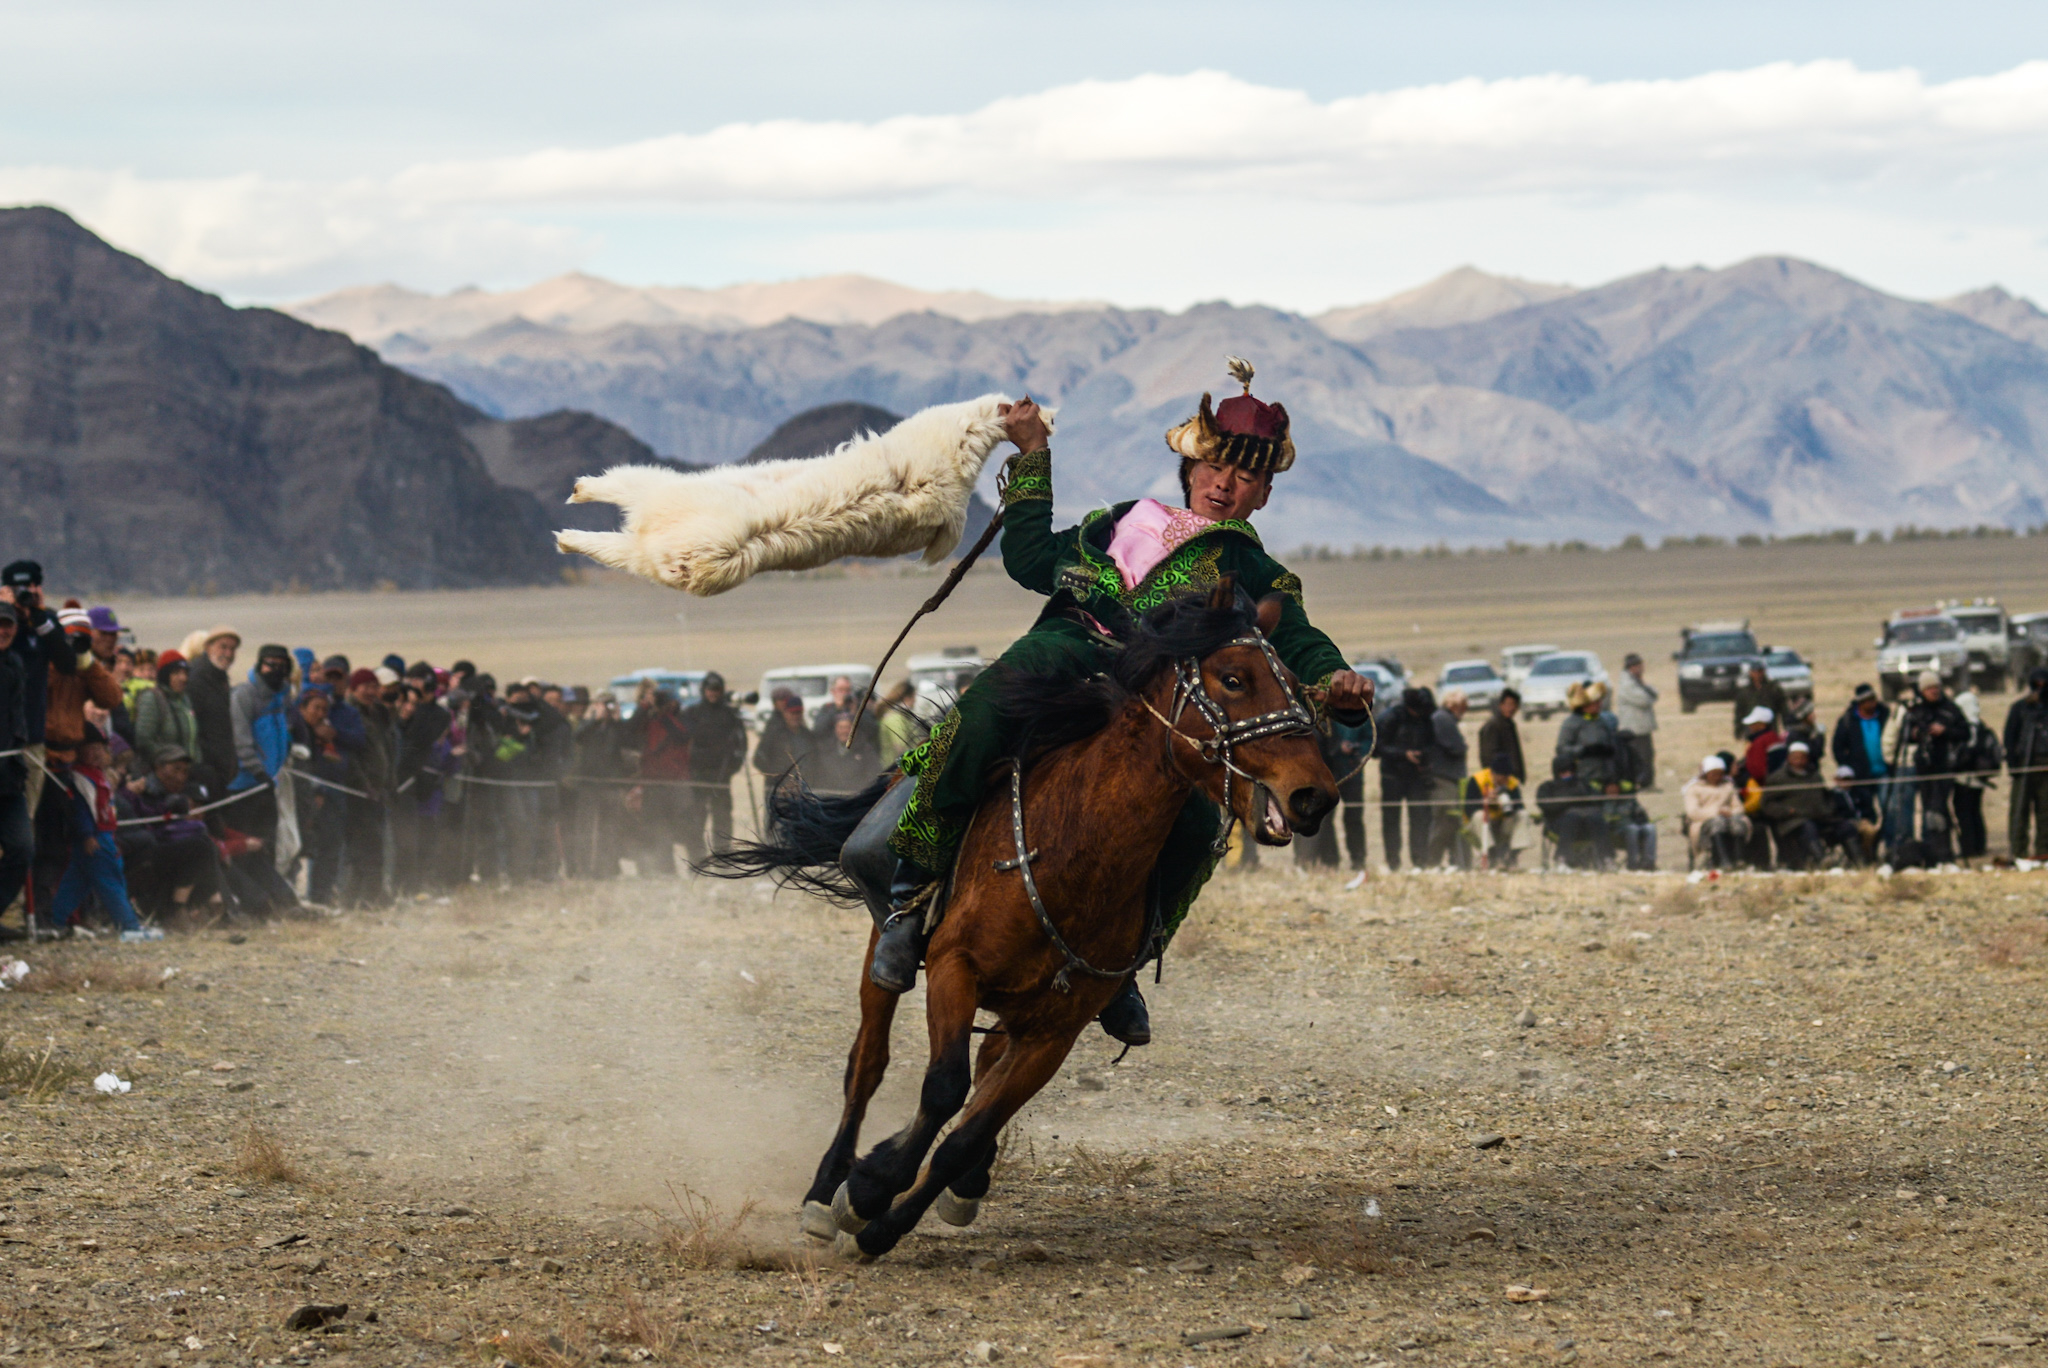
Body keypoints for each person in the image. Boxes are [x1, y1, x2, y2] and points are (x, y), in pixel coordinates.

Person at [878, 370, 1372, 1048]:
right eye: (1215, 463)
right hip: (1060, 657)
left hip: (1154, 710)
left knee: (1201, 826)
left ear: (1263, 494)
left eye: (1244, 476)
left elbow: (1299, 640)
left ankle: (1123, 966)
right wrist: (1030, 456)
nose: (1225, 482)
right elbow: (1028, 560)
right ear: (1190, 462)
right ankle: (911, 896)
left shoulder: (1255, 571)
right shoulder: (1117, 522)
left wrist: (1336, 679)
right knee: (979, 717)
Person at [48, 724, 160, 941]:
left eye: (99, 748)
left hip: (101, 836)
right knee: (112, 881)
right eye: (89, 748)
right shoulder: (81, 778)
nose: (95, 753)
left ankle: (55, 920)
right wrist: (87, 835)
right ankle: (129, 926)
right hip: (96, 838)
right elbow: (80, 810)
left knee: (76, 882)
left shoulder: (97, 775)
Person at [229, 644, 298, 906]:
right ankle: (254, 902)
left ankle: (272, 900)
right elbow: (241, 738)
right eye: (269, 664)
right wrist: (258, 772)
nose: (275, 670)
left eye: (281, 665)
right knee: (247, 847)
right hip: (245, 786)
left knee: (266, 845)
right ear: (259, 664)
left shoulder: (282, 698)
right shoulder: (245, 695)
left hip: (269, 784)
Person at [1883, 671, 1968, 865]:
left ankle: (1944, 853)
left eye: (1936, 687)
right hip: (1923, 766)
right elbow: (1906, 736)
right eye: (1930, 688)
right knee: (1929, 809)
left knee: (1938, 809)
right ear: (1922, 690)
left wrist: (1945, 731)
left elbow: (1965, 733)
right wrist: (1916, 733)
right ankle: (1930, 853)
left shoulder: (1951, 709)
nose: (1934, 691)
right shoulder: (1916, 711)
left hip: (1945, 764)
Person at [676, 672, 750, 864]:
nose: (713, 693)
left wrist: (731, 768)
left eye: (717, 690)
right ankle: (697, 861)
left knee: (723, 820)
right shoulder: (692, 713)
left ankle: (723, 861)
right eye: (710, 689)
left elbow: (741, 744)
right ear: (703, 690)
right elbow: (682, 742)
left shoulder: (730, 715)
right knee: (695, 820)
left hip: (721, 775)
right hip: (697, 775)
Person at [1296, 710, 1371, 872]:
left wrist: (1357, 749)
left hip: (1350, 773)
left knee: (1353, 818)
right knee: (1323, 820)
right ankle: (1327, 861)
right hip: (1325, 775)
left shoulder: (1358, 715)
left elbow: (1369, 739)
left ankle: (1357, 860)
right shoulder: (1319, 718)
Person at [568, 694, 633, 878]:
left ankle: (607, 868)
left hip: (610, 784)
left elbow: (629, 741)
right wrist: (595, 720)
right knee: (586, 829)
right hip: (589, 783)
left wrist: (618, 721)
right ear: (596, 706)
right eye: (604, 704)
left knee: (610, 828)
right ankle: (584, 869)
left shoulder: (616, 726)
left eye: (610, 704)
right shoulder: (588, 724)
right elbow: (578, 737)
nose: (607, 708)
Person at [1376, 687, 1438, 871]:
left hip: (1417, 776)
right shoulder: (1391, 717)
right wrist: (1404, 755)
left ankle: (1420, 861)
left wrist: (1423, 757)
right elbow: (1378, 748)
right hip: (1392, 776)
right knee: (1391, 820)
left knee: (1420, 819)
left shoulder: (1426, 719)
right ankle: (1393, 861)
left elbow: (1432, 744)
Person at [630, 687, 691, 875]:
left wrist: (661, 714)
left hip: (672, 784)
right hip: (652, 783)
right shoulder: (649, 722)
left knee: (669, 828)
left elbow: (680, 736)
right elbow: (630, 729)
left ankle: (668, 870)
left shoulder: (679, 721)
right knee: (651, 827)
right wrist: (645, 706)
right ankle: (653, 868)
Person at [0, 601, 32, 931]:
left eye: (8, 624)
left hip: (9, 778)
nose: (3, 630)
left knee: (23, 849)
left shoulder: (16, 664)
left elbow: (18, 718)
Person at [186, 625, 242, 801]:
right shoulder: (196, 678)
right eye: (223, 647)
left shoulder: (220, 677)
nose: (228, 653)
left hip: (222, 766)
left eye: (232, 649)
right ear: (208, 647)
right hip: (205, 768)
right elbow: (193, 726)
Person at [1757, 741, 1833, 869]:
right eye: (1795, 757)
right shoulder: (1778, 778)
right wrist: (1787, 811)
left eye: (1802, 757)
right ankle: (1821, 859)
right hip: (1792, 821)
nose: (1799, 761)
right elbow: (1767, 804)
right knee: (1808, 827)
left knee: (1846, 827)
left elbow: (1827, 796)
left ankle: (1861, 862)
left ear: (1807, 758)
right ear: (1789, 758)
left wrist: (1827, 809)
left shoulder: (1814, 776)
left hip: (1819, 817)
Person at [134, 651, 204, 775]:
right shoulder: (151, 698)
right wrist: (171, 760)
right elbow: (143, 739)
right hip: (164, 774)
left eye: (185, 673)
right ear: (165, 675)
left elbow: (193, 739)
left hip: (188, 772)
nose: (183, 678)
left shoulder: (185, 700)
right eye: (176, 673)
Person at [1951, 689, 2000, 862]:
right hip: (1978, 780)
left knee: (1965, 814)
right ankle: (1978, 846)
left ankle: (1970, 849)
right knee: (1975, 813)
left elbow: (1964, 755)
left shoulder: (1967, 728)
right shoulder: (1981, 726)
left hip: (1966, 779)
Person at [1830, 684, 1890, 824]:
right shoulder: (1848, 719)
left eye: (1873, 698)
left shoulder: (1884, 714)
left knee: (1889, 810)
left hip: (1885, 772)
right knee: (1867, 813)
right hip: (1861, 776)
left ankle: (1891, 843)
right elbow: (1837, 746)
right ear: (1860, 702)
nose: (1872, 702)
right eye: (1868, 700)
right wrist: (1848, 768)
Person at [1424, 689, 1472, 866]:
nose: (1464, 710)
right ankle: (1432, 861)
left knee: (1452, 823)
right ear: (1453, 705)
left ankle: (1455, 862)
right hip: (1443, 779)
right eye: (1462, 706)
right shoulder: (1442, 719)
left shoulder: (1446, 719)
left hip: (1450, 779)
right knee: (1445, 822)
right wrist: (1463, 746)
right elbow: (1456, 747)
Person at [1536, 753, 1608, 869]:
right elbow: (1545, 806)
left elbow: (1598, 800)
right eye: (1563, 772)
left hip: (1586, 826)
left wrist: (1580, 796)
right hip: (1558, 825)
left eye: (1570, 771)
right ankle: (1562, 859)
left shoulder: (1583, 784)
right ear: (1556, 772)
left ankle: (1605, 858)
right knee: (1572, 816)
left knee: (1596, 817)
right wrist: (1570, 801)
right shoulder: (1548, 787)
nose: (1567, 774)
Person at [2006, 668, 2048, 860]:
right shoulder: (2020, 708)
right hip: (2024, 765)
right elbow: (2010, 736)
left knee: (2045, 812)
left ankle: (2043, 850)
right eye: (2036, 685)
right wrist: (2013, 766)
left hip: (2045, 766)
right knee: (2019, 810)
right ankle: (2018, 850)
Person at [1456, 750, 1523, 870]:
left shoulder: (1512, 783)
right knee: (1479, 815)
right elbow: (1468, 808)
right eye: (1504, 777)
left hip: (1504, 822)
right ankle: (1493, 855)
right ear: (1494, 773)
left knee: (1522, 815)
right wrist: (1485, 801)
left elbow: (1520, 807)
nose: (1507, 780)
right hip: (1480, 823)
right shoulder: (1478, 780)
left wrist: (1509, 803)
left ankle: (1512, 855)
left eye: (1508, 776)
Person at [753, 689, 816, 814]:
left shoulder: (808, 736)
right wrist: (779, 780)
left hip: (804, 793)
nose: (795, 716)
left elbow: (815, 763)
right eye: (792, 713)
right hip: (778, 792)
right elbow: (758, 759)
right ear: (785, 713)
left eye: (798, 712)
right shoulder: (774, 734)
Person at [1683, 755, 1750, 869]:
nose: (1717, 777)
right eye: (1713, 774)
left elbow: (1739, 807)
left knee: (1738, 823)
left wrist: (1730, 812)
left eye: (1719, 774)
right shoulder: (1694, 788)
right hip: (1704, 821)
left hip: (1728, 817)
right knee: (1717, 823)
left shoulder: (1728, 786)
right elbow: (1692, 812)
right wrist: (1715, 812)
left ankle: (1739, 860)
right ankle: (1723, 861)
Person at [1613, 653, 1659, 789]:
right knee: (1641, 757)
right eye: (1638, 666)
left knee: (1648, 755)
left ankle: (1648, 782)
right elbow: (1644, 700)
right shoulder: (1627, 684)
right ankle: (1643, 783)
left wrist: (1645, 687)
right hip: (1634, 728)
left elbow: (1654, 693)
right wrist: (1649, 696)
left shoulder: (1636, 681)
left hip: (1642, 727)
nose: (1641, 668)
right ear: (1631, 667)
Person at [1554, 680, 1617, 774]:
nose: (1599, 704)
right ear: (1584, 703)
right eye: (1595, 702)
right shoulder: (1571, 723)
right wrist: (1585, 750)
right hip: (1582, 776)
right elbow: (1561, 749)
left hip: (1604, 774)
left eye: (1599, 701)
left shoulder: (1602, 721)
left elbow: (1611, 743)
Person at [1477, 689, 1525, 788]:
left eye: (1515, 705)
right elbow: (1488, 756)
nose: (1511, 708)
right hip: (1498, 781)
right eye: (1509, 704)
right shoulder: (1493, 726)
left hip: (1512, 780)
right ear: (1501, 705)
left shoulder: (1509, 724)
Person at [1732, 660, 1790, 742]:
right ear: (1750, 673)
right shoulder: (1744, 692)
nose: (1757, 674)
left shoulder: (1773, 689)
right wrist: (1738, 730)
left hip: (1770, 729)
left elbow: (1784, 710)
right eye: (1755, 672)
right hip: (1751, 731)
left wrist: (1788, 726)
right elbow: (1739, 713)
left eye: (1760, 671)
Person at [876, 680, 923, 770]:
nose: (915, 701)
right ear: (907, 698)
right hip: (896, 770)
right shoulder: (895, 718)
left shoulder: (901, 716)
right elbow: (900, 746)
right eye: (914, 697)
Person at [1738, 706, 1784, 784]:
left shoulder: (1761, 741)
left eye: (1753, 723)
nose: (1750, 726)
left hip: (1762, 784)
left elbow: (1759, 770)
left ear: (1762, 724)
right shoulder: (1774, 737)